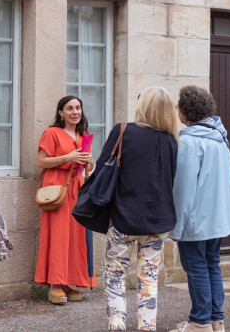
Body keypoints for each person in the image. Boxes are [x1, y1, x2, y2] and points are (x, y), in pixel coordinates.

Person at [98, 86, 178, 331]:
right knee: (149, 278)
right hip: (158, 220)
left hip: (123, 217)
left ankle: (117, 324)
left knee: (114, 275)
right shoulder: (171, 141)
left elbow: (103, 167)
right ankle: (146, 326)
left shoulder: (124, 131)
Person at [169, 86, 230, 332]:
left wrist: (176, 226)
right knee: (211, 264)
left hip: (196, 218)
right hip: (216, 216)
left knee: (197, 267)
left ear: (186, 111)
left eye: (179, 106)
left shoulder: (188, 142)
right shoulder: (219, 138)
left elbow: (184, 189)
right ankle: (215, 320)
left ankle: (200, 322)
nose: (177, 110)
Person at [35, 95, 95, 304]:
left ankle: (68, 282)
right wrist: (67, 158)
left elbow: (85, 167)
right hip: (57, 189)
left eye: (78, 108)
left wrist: (90, 161)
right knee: (58, 236)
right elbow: (41, 161)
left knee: (75, 237)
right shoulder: (52, 133)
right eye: (69, 108)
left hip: (77, 189)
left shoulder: (82, 135)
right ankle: (54, 284)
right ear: (61, 112)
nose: (75, 112)